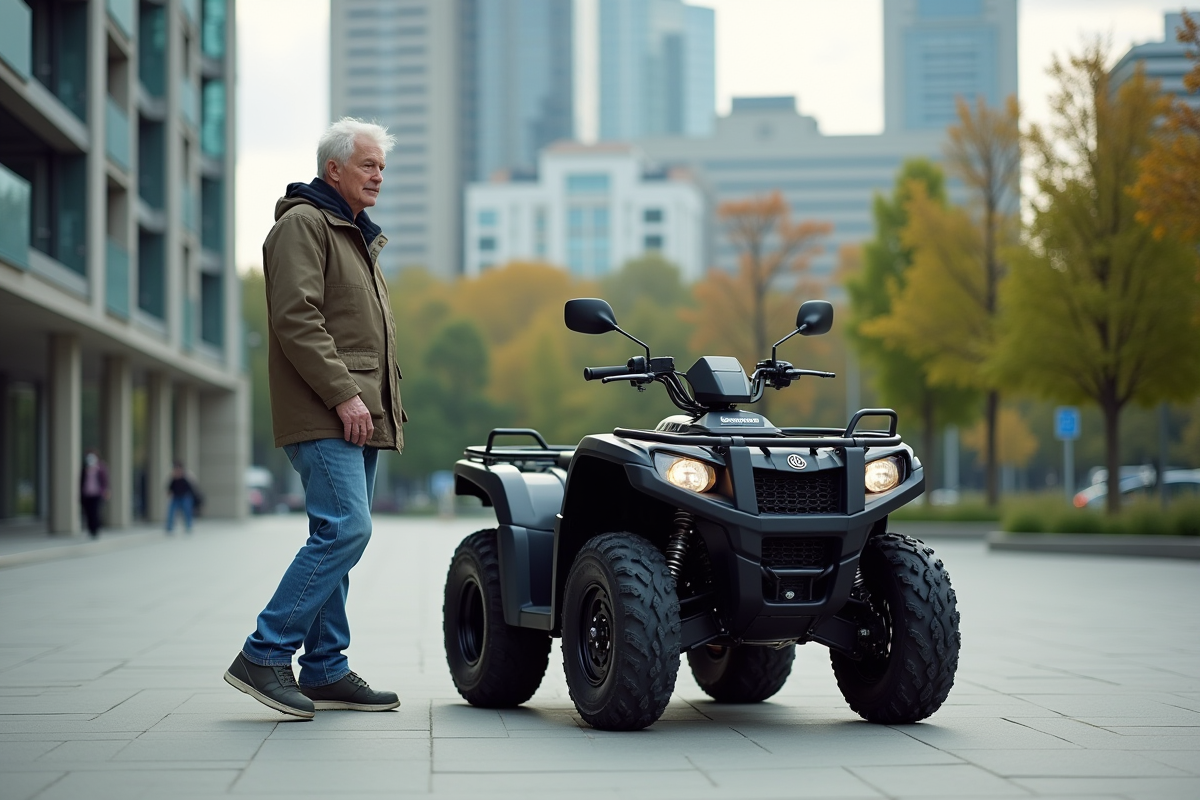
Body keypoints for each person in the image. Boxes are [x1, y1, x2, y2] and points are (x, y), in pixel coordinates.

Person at [223, 118, 406, 719]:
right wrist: (345, 395)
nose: (379, 175)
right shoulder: (304, 225)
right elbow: (296, 320)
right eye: (368, 165)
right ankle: (264, 651)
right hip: (327, 410)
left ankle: (325, 667)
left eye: (382, 166)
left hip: (357, 413)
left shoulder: (355, 234)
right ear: (334, 170)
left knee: (336, 537)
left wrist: (373, 405)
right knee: (347, 530)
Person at [79, 450, 110, 538]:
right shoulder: (85, 469)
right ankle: (90, 529)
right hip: (87, 494)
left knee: (95, 512)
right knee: (88, 513)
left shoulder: (100, 468)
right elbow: (81, 482)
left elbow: (105, 481)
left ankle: (96, 529)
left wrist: (105, 491)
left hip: (97, 494)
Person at [165, 461, 196, 534]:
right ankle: (169, 527)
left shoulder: (186, 477)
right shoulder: (173, 478)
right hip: (176, 497)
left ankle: (188, 526)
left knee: (187, 512)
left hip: (185, 497)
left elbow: (192, 487)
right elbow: (169, 488)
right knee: (171, 511)